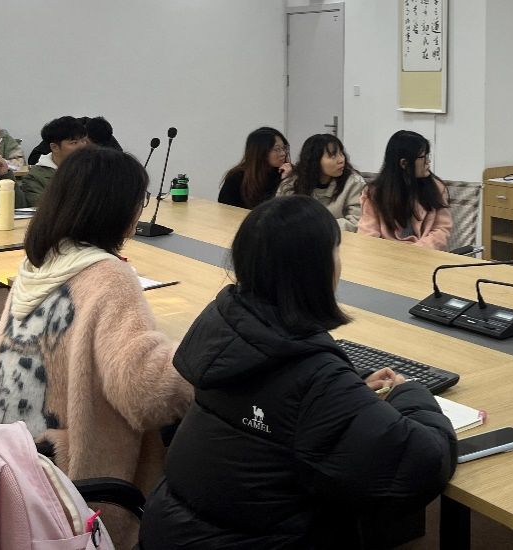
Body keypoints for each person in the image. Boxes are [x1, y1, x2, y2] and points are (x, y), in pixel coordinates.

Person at [139, 196, 457, 549]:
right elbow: (420, 466)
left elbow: (285, 401)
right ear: (315, 269)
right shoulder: (314, 379)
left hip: (172, 532)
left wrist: (350, 388)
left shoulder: (226, 330)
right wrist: (410, 393)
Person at [0, 146, 192, 548]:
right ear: (117, 209)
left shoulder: (38, 264)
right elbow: (145, 393)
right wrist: (203, 352)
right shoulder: (107, 276)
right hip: (69, 495)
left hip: (0, 471)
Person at [357, 130, 452, 250]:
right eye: (423, 157)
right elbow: (367, 235)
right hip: (386, 255)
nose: (428, 161)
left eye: (428, 156)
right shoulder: (375, 193)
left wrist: (415, 250)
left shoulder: (436, 188)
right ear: (404, 163)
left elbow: (441, 230)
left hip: (425, 254)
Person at [277, 133, 366, 232]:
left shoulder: (353, 182)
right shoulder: (292, 183)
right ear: (315, 160)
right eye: (333, 156)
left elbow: (357, 222)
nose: (341, 160)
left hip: (339, 238)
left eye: (341, 153)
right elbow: (279, 217)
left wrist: (316, 226)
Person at [15, 115, 90, 208]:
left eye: (83, 141)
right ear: (54, 147)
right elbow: (45, 209)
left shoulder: (94, 168)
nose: (82, 146)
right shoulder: (35, 178)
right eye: (74, 143)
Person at [218, 127, 293, 209]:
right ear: (260, 151)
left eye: (284, 148)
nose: (283, 153)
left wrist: (287, 181)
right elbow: (224, 209)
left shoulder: (287, 172)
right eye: (277, 149)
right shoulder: (237, 177)